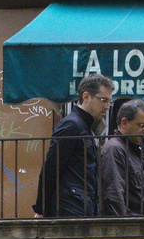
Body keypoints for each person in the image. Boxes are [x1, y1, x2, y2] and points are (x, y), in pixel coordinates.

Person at [33, 73, 112, 218]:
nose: (107, 107)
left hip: (79, 206)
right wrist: (41, 208)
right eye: (103, 100)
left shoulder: (83, 126)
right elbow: (51, 167)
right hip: (70, 208)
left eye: (109, 102)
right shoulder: (72, 125)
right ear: (86, 96)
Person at [98, 99, 144, 217]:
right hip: (129, 227)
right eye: (141, 125)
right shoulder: (115, 149)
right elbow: (113, 194)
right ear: (124, 122)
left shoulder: (132, 150)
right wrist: (123, 227)